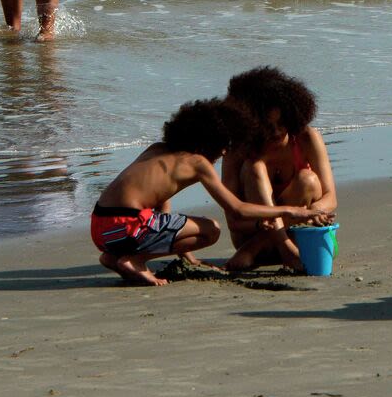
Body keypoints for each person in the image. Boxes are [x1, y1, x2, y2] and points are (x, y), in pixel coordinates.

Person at [91, 98, 327, 287]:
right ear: (210, 141)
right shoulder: (197, 163)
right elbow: (237, 208)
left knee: (158, 222)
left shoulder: (157, 150)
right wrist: (292, 210)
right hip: (129, 225)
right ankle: (135, 260)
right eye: (224, 145)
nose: (225, 151)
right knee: (210, 230)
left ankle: (114, 256)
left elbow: (160, 200)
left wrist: (186, 255)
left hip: (102, 229)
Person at [221, 66, 336, 272]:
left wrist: (313, 213)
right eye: (267, 125)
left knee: (307, 180)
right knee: (254, 167)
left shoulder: (306, 138)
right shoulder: (237, 150)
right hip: (251, 232)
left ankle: (257, 248)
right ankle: (284, 251)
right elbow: (234, 221)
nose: (276, 131)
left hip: (297, 236)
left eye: (281, 123)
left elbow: (330, 197)